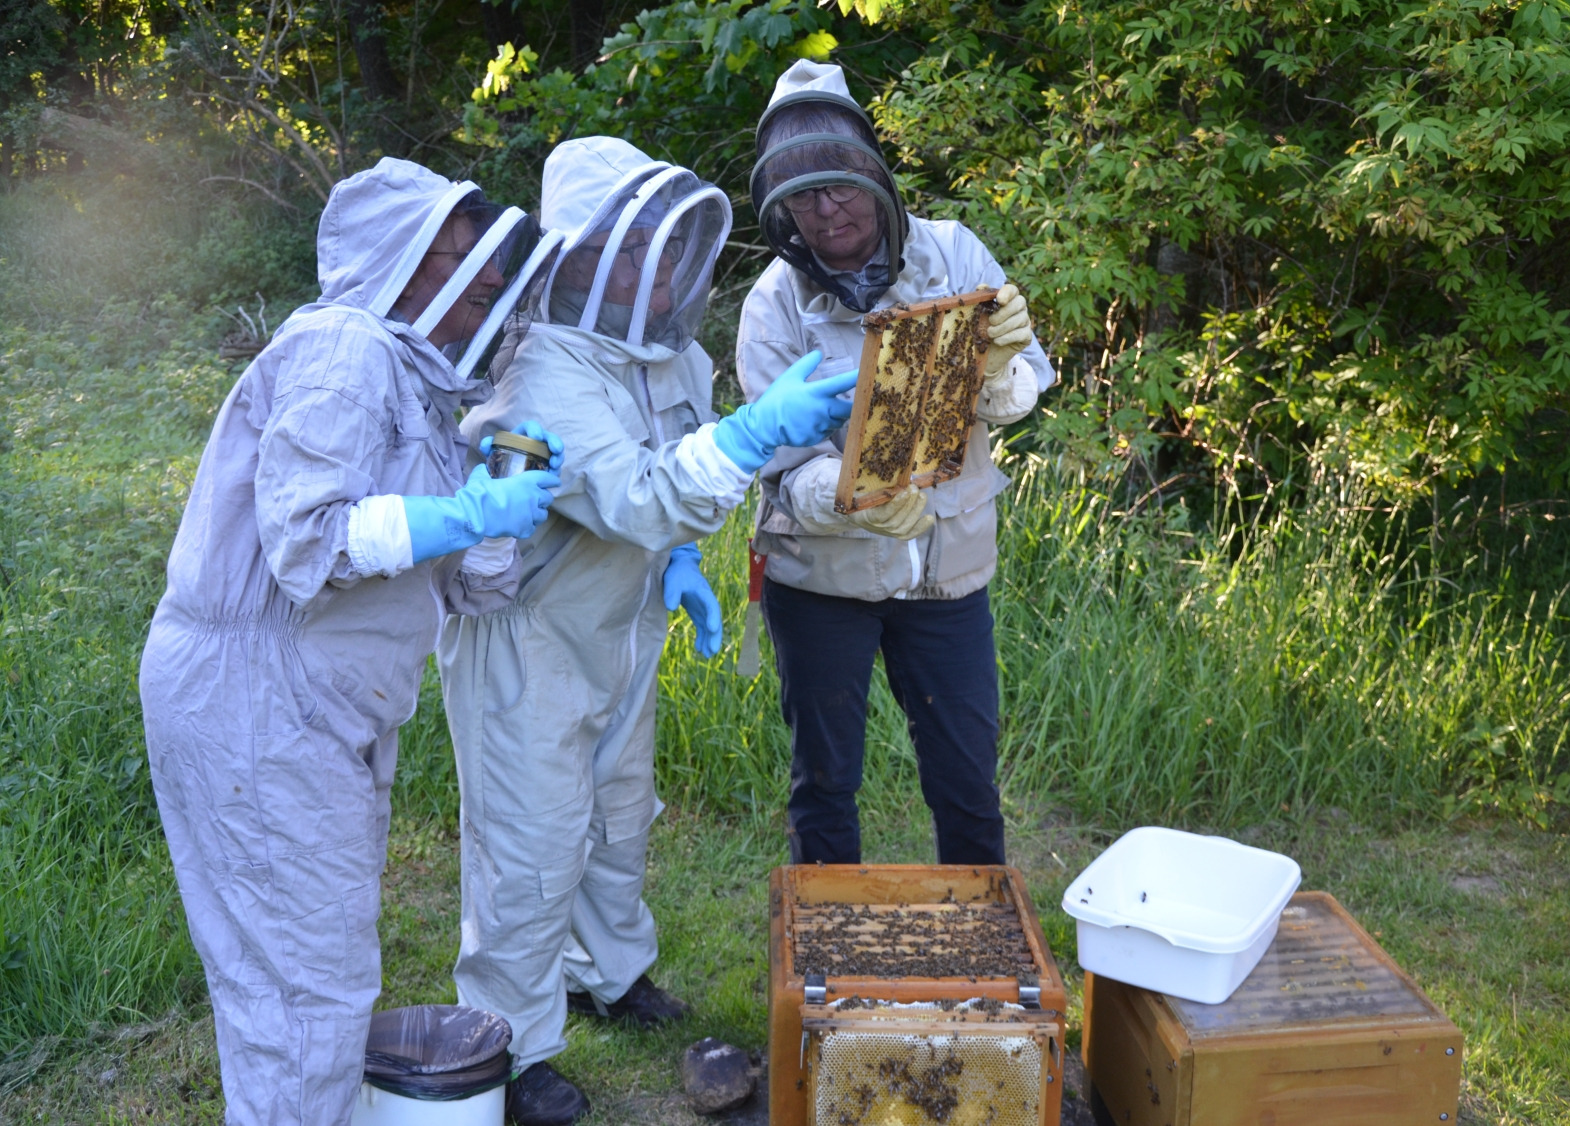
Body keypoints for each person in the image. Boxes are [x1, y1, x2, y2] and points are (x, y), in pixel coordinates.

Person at [437, 136, 856, 1125]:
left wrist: (679, 561)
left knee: (619, 810)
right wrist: (750, 437)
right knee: (531, 841)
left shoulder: (669, 350)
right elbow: (637, 492)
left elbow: (672, 460)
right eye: (629, 249)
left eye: (664, 247)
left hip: (619, 618)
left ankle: (607, 972)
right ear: (578, 257)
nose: (655, 269)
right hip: (527, 634)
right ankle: (512, 1044)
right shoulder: (540, 369)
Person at [138, 157, 565, 1125]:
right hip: (255, 694)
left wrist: (502, 507)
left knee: (308, 966)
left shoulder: (420, 388)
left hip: (324, 705)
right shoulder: (344, 347)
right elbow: (310, 542)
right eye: (462, 256)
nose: (487, 281)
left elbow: (471, 588)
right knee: (304, 992)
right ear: (402, 262)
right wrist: (462, 511)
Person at [736, 60, 1053, 866]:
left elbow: (1022, 391)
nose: (826, 212)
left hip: (947, 571)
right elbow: (779, 464)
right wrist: (854, 496)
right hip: (820, 583)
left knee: (966, 777)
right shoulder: (771, 304)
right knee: (824, 779)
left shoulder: (953, 252)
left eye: (838, 189)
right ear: (779, 209)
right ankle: (826, 937)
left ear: (873, 179)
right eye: (804, 198)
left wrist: (996, 368)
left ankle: (980, 932)